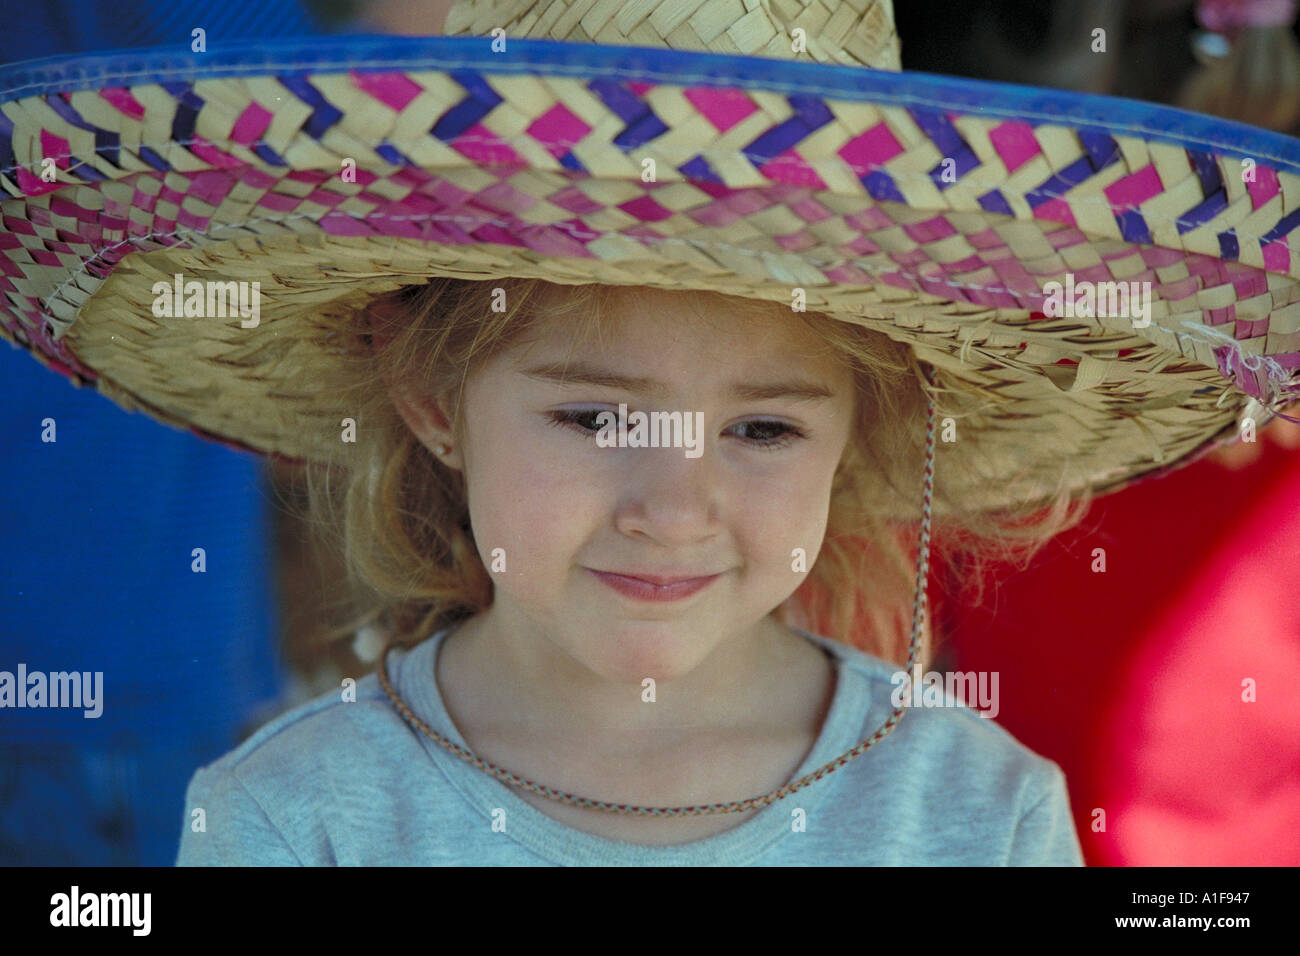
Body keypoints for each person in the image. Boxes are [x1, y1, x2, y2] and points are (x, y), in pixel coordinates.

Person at [2, 0, 1295, 864]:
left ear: (866, 429)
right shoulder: (297, 819)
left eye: (765, 431)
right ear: (429, 396)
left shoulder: (975, 815)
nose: (671, 506)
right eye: (595, 413)